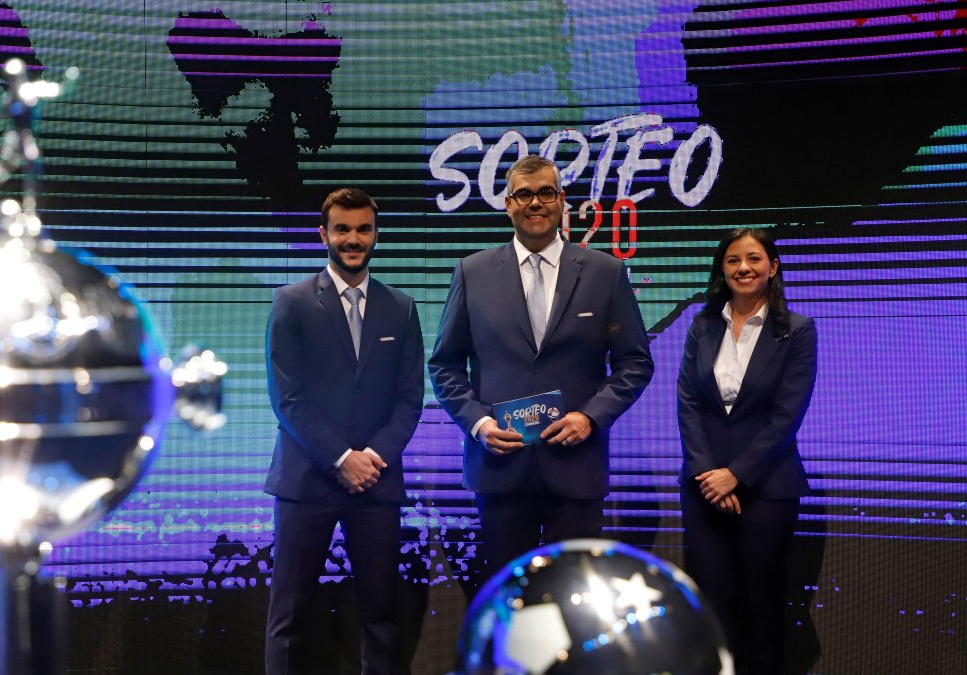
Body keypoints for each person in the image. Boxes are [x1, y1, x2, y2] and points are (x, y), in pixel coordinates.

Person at [427, 154, 653, 577]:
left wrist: (590, 417)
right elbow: (444, 366)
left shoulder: (605, 272)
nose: (536, 203)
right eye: (524, 194)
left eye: (546, 193)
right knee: (508, 604)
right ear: (508, 203)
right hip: (499, 468)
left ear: (562, 201)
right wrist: (478, 424)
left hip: (577, 467)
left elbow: (635, 363)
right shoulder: (472, 272)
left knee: (575, 602)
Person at [263, 187, 424, 675]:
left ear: (376, 235)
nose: (353, 239)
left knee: (382, 617)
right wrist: (341, 458)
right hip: (306, 483)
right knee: (289, 619)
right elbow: (287, 398)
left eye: (363, 229)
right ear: (324, 234)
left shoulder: (402, 307)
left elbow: (409, 399)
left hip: (375, 483)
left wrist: (371, 458)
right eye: (342, 229)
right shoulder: (291, 303)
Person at [676, 228, 817, 675]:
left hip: (767, 489)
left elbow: (786, 414)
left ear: (772, 267)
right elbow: (688, 402)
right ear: (722, 268)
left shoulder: (796, 331)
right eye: (734, 260)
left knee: (762, 606)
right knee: (710, 606)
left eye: (754, 259)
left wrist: (735, 474)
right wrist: (707, 474)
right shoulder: (702, 326)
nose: (743, 268)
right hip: (703, 490)